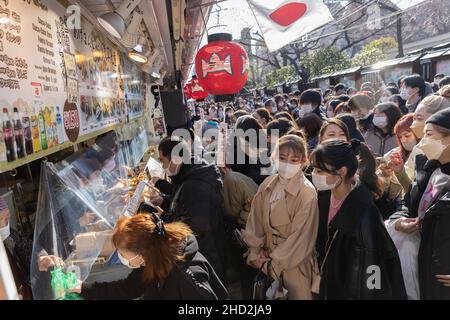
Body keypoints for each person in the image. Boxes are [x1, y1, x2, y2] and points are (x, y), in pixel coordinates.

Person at [310, 139, 407, 300]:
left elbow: (370, 270)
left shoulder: (364, 213)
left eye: (320, 171)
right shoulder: (324, 195)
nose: (314, 175)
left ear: (341, 171)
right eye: (313, 169)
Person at [72, 214, 228, 300]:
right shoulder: (153, 262)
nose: (121, 258)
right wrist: (83, 288)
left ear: (142, 253)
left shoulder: (186, 277)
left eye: (123, 254)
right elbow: (128, 288)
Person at [244, 135, 319, 300]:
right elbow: (255, 220)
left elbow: (302, 238)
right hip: (265, 257)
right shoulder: (268, 184)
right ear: (274, 158)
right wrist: (255, 253)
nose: (287, 164)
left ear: (303, 161)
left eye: (294, 159)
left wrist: (271, 263)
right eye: (282, 158)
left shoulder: (307, 192)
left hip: (294, 264)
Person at [386, 108, 450, 300]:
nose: (421, 143)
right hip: (423, 266)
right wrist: (399, 222)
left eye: (429, 135)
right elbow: (408, 204)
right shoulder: (429, 169)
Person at [153, 136, 226, 282]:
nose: (162, 165)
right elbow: (186, 203)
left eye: (162, 160)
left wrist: (164, 228)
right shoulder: (190, 173)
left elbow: (195, 226)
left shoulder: (194, 185)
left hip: (207, 254)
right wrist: (166, 202)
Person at [388, 94, 450, 189]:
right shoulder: (419, 148)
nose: (413, 124)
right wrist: (400, 172)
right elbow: (417, 193)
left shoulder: (437, 151)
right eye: (414, 118)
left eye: (419, 118)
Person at [1, 198, 33, 299]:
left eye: (8, 218)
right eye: (2, 219)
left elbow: (28, 248)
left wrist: (41, 257)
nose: (6, 224)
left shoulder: (11, 234)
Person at [385, 114, 420, 191]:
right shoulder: (394, 153)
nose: (403, 140)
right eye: (400, 137)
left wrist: (400, 172)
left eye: (407, 135)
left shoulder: (426, 154)